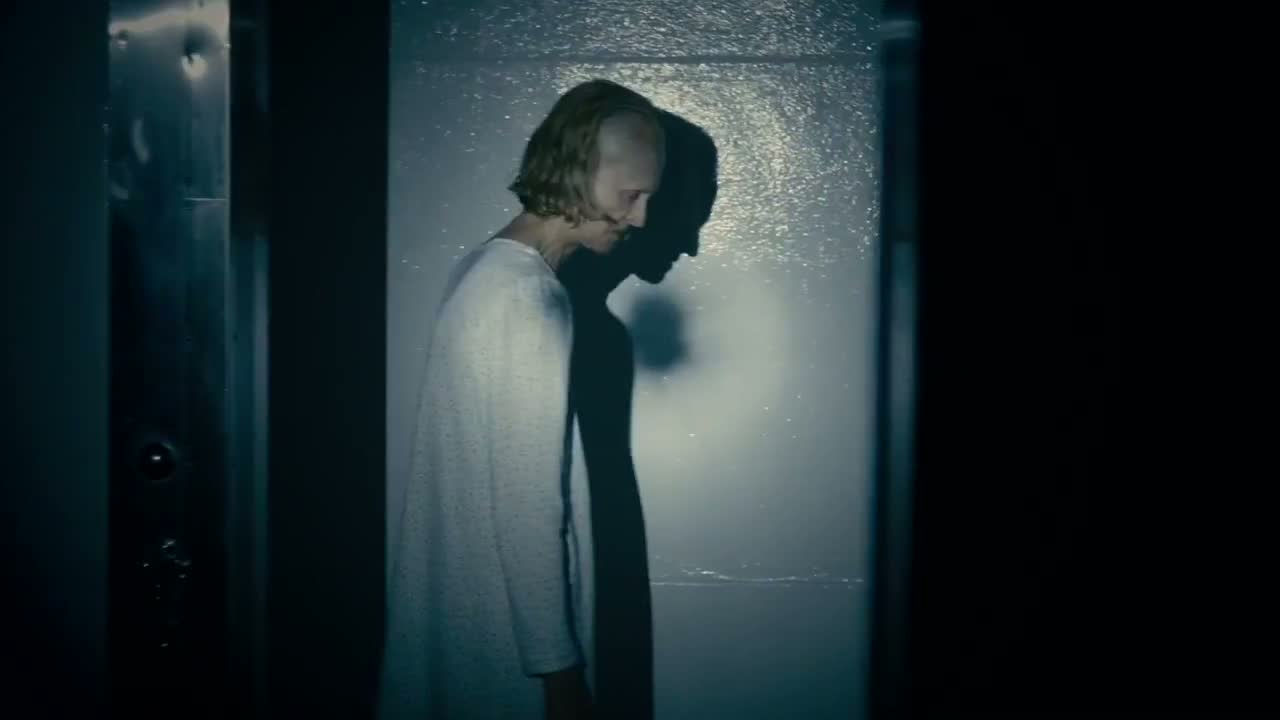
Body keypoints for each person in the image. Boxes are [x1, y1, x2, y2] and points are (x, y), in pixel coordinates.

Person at [376, 79, 666, 720]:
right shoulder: (526, 299)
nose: (641, 218)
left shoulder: (485, 270)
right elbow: (529, 503)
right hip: (509, 649)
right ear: (579, 169)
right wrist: (559, 670)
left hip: (476, 623)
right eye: (632, 194)